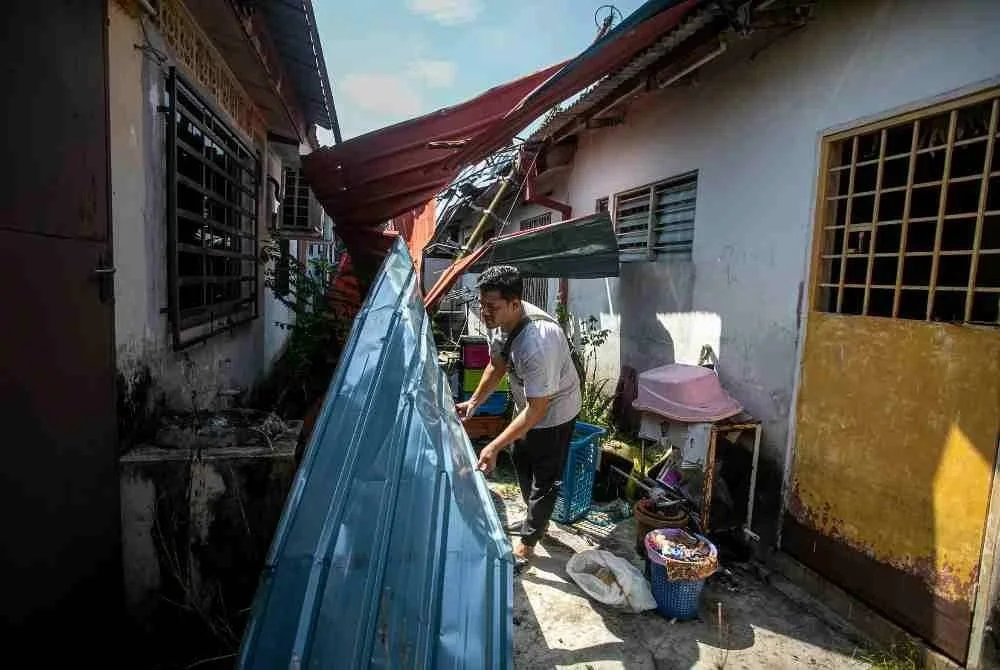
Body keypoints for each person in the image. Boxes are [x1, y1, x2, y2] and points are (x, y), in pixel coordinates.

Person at [457, 265, 581, 562]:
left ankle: (530, 539)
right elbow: (497, 365)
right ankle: (535, 520)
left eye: (492, 307)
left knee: (544, 478)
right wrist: (474, 401)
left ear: (515, 304)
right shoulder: (502, 321)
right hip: (530, 404)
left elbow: (539, 409)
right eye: (482, 304)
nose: (485, 312)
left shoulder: (537, 343)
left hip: (554, 413)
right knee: (520, 456)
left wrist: (492, 444)